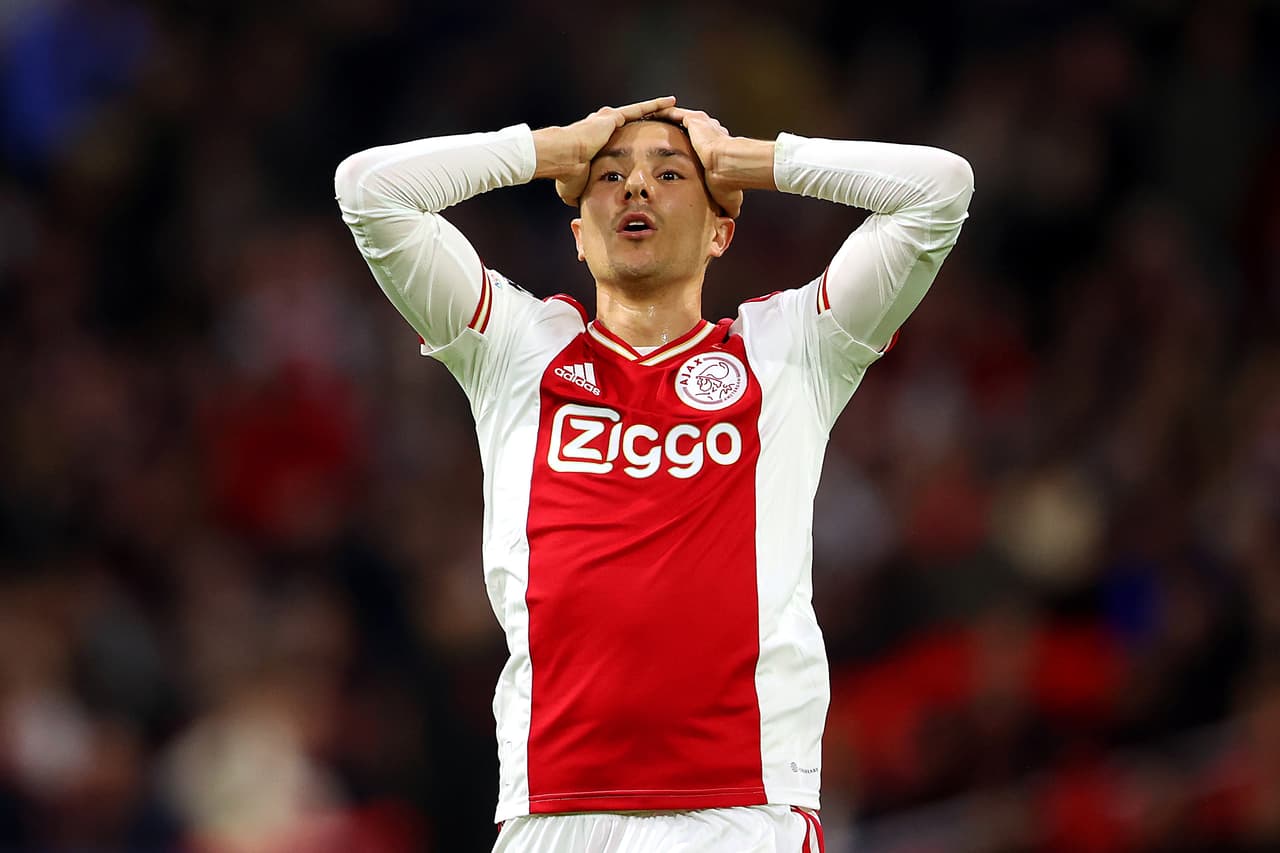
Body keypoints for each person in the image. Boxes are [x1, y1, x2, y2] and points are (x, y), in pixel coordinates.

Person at [335, 95, 974, 853]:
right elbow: (369, 191)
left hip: (741, 809)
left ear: (721, 232)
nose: (635, 188)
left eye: (670, 174)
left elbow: (941, 188)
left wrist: (746, 159)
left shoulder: (791, 351)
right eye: (610, 176)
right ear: (578, 235)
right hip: (554, 811)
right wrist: (548, 149)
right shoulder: (518, 349)